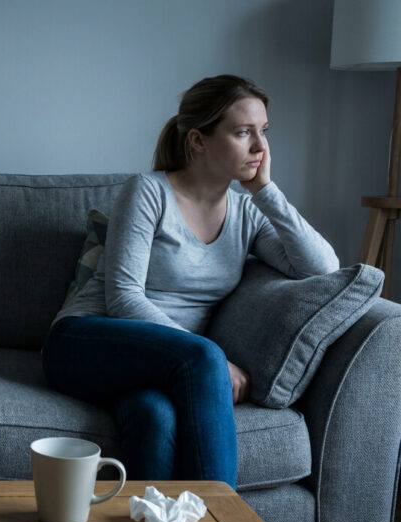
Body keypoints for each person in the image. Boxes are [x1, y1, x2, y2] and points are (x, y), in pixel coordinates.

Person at [41, 75, 338, 487]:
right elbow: (124, 299)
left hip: (162, 367)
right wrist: (209, 357)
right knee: (202, 360)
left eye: (263, 132)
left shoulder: (246, 214)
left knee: (154, 416)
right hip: (85, 342)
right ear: (198, 140)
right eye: (242, 132)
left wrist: (265, 190)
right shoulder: (148, 192)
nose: (260, 147)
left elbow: (322, 269)